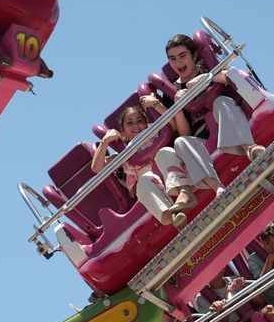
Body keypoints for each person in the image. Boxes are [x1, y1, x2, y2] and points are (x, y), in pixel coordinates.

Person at [89, 97, 220, 229]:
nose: (136, 126)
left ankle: (185, 192)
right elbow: (97, 168)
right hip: (160, 189)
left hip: (179, 177)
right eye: (130, 123)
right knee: (143, 182)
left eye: (140, 121)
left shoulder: (157, 132)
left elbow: (173, 124)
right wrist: (105, 141)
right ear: (123, 133)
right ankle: (174, 217)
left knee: (163, 152)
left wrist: (156, 105)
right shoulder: (124, 154)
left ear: (147, 124)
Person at [164, 34, 266, 160]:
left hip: (226, 121)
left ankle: (249, 148)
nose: (178, 62)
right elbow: (185, 134)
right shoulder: (171, 91)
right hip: (203, 140)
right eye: (172, 58)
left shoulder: (208, 72)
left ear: (194, 56)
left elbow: (231, 77)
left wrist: (205, 78)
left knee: (221, 101)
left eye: (183, 56)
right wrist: (177, 104)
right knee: (181, 141)